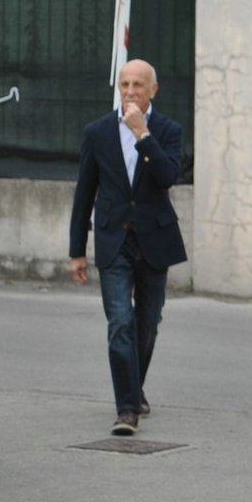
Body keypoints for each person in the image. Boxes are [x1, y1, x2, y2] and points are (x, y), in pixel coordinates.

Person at [68, 59, 186, 437]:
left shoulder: (168, 130)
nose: (130, 91)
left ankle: (134, 388)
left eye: (138, 85)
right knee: (120, 322)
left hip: (154, 238)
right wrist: (77, 249)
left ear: (154, 90)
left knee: (147, 324)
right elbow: (84, 192)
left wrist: (142, 134)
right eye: (125, 84)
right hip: (113, 238)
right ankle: (127, 408)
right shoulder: (98, 132)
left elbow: (168, 176)